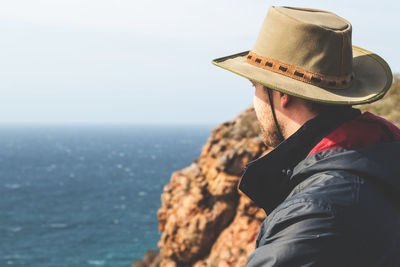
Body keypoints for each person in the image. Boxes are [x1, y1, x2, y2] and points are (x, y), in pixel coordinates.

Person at [212, 6, 400, 266]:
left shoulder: (314, 212)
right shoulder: (383, 156)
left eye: (255, 86)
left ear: (282, 93)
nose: (254, 99)